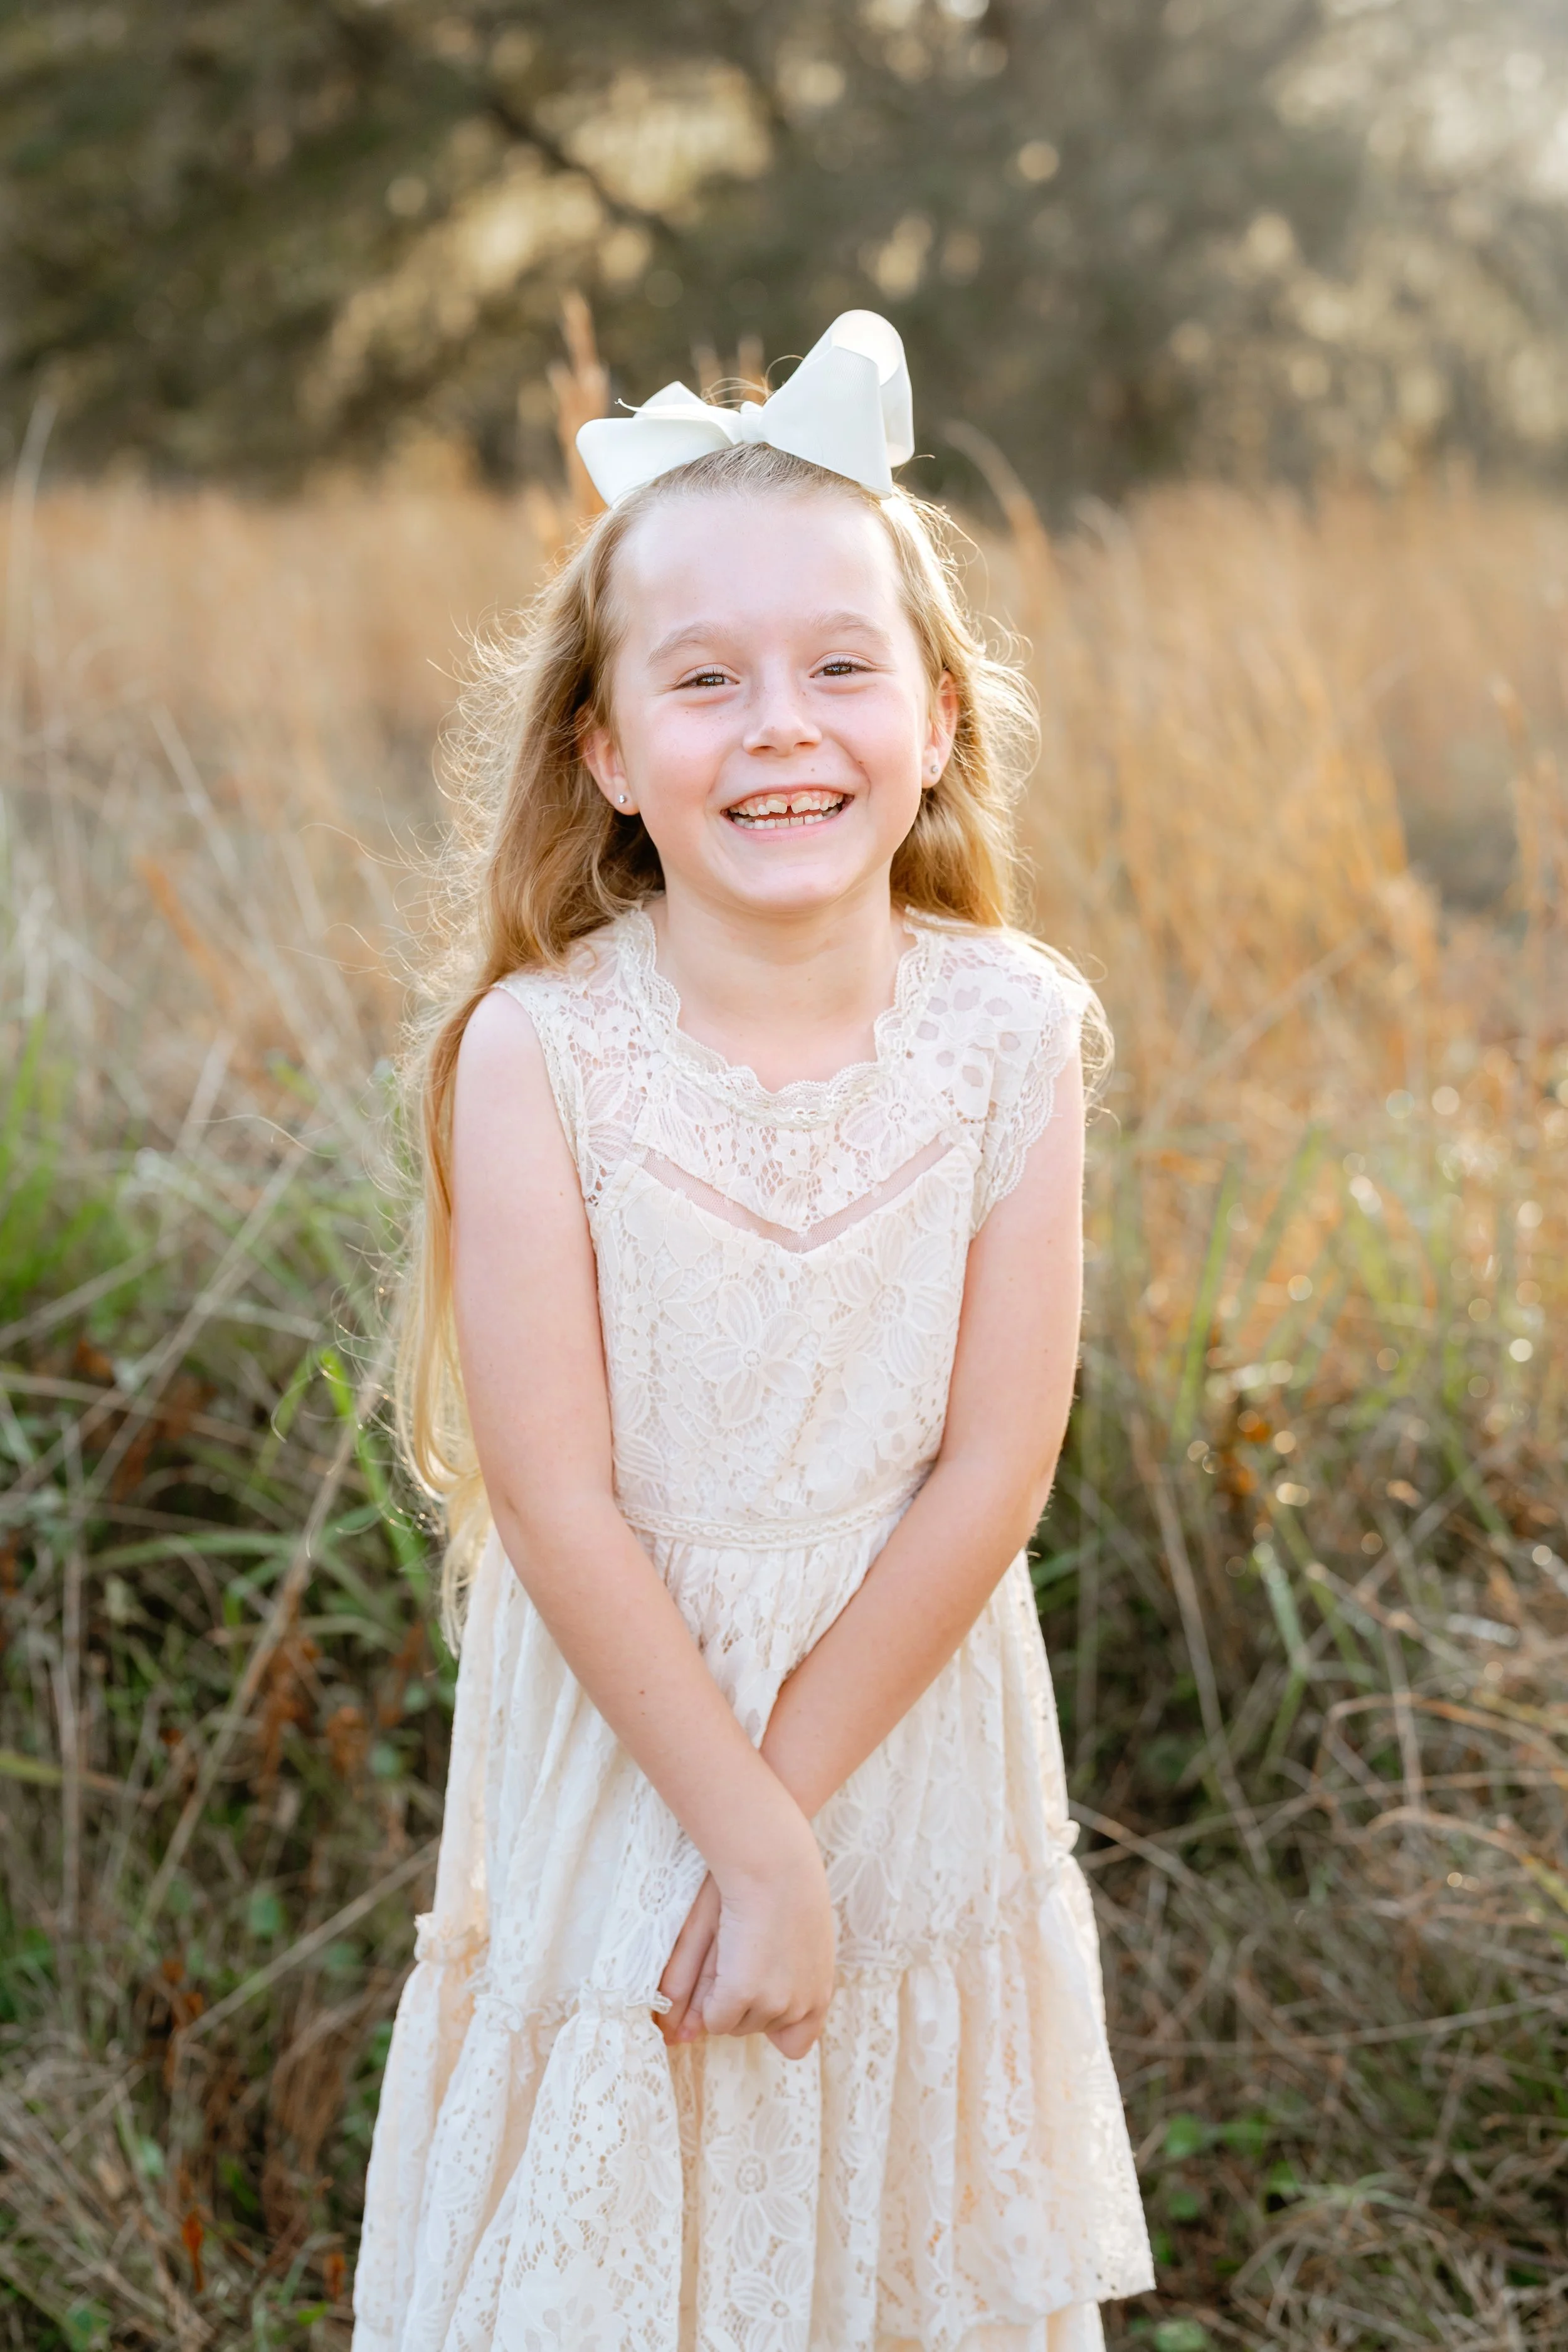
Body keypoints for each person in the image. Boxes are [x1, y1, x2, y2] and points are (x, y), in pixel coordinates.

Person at [352, 313, 1153, 2352]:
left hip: (903, 1724)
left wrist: (791, 1831)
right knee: (621, 2221)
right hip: (632, 1730)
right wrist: (731, 1828)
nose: (777, 724)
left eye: (838, 664)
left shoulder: (1009, 1032)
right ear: (608, 749)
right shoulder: (538, 1053)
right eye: (702, 680)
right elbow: (553, 1486)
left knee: (879, 2243)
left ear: (942, 714)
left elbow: (995, 1463)